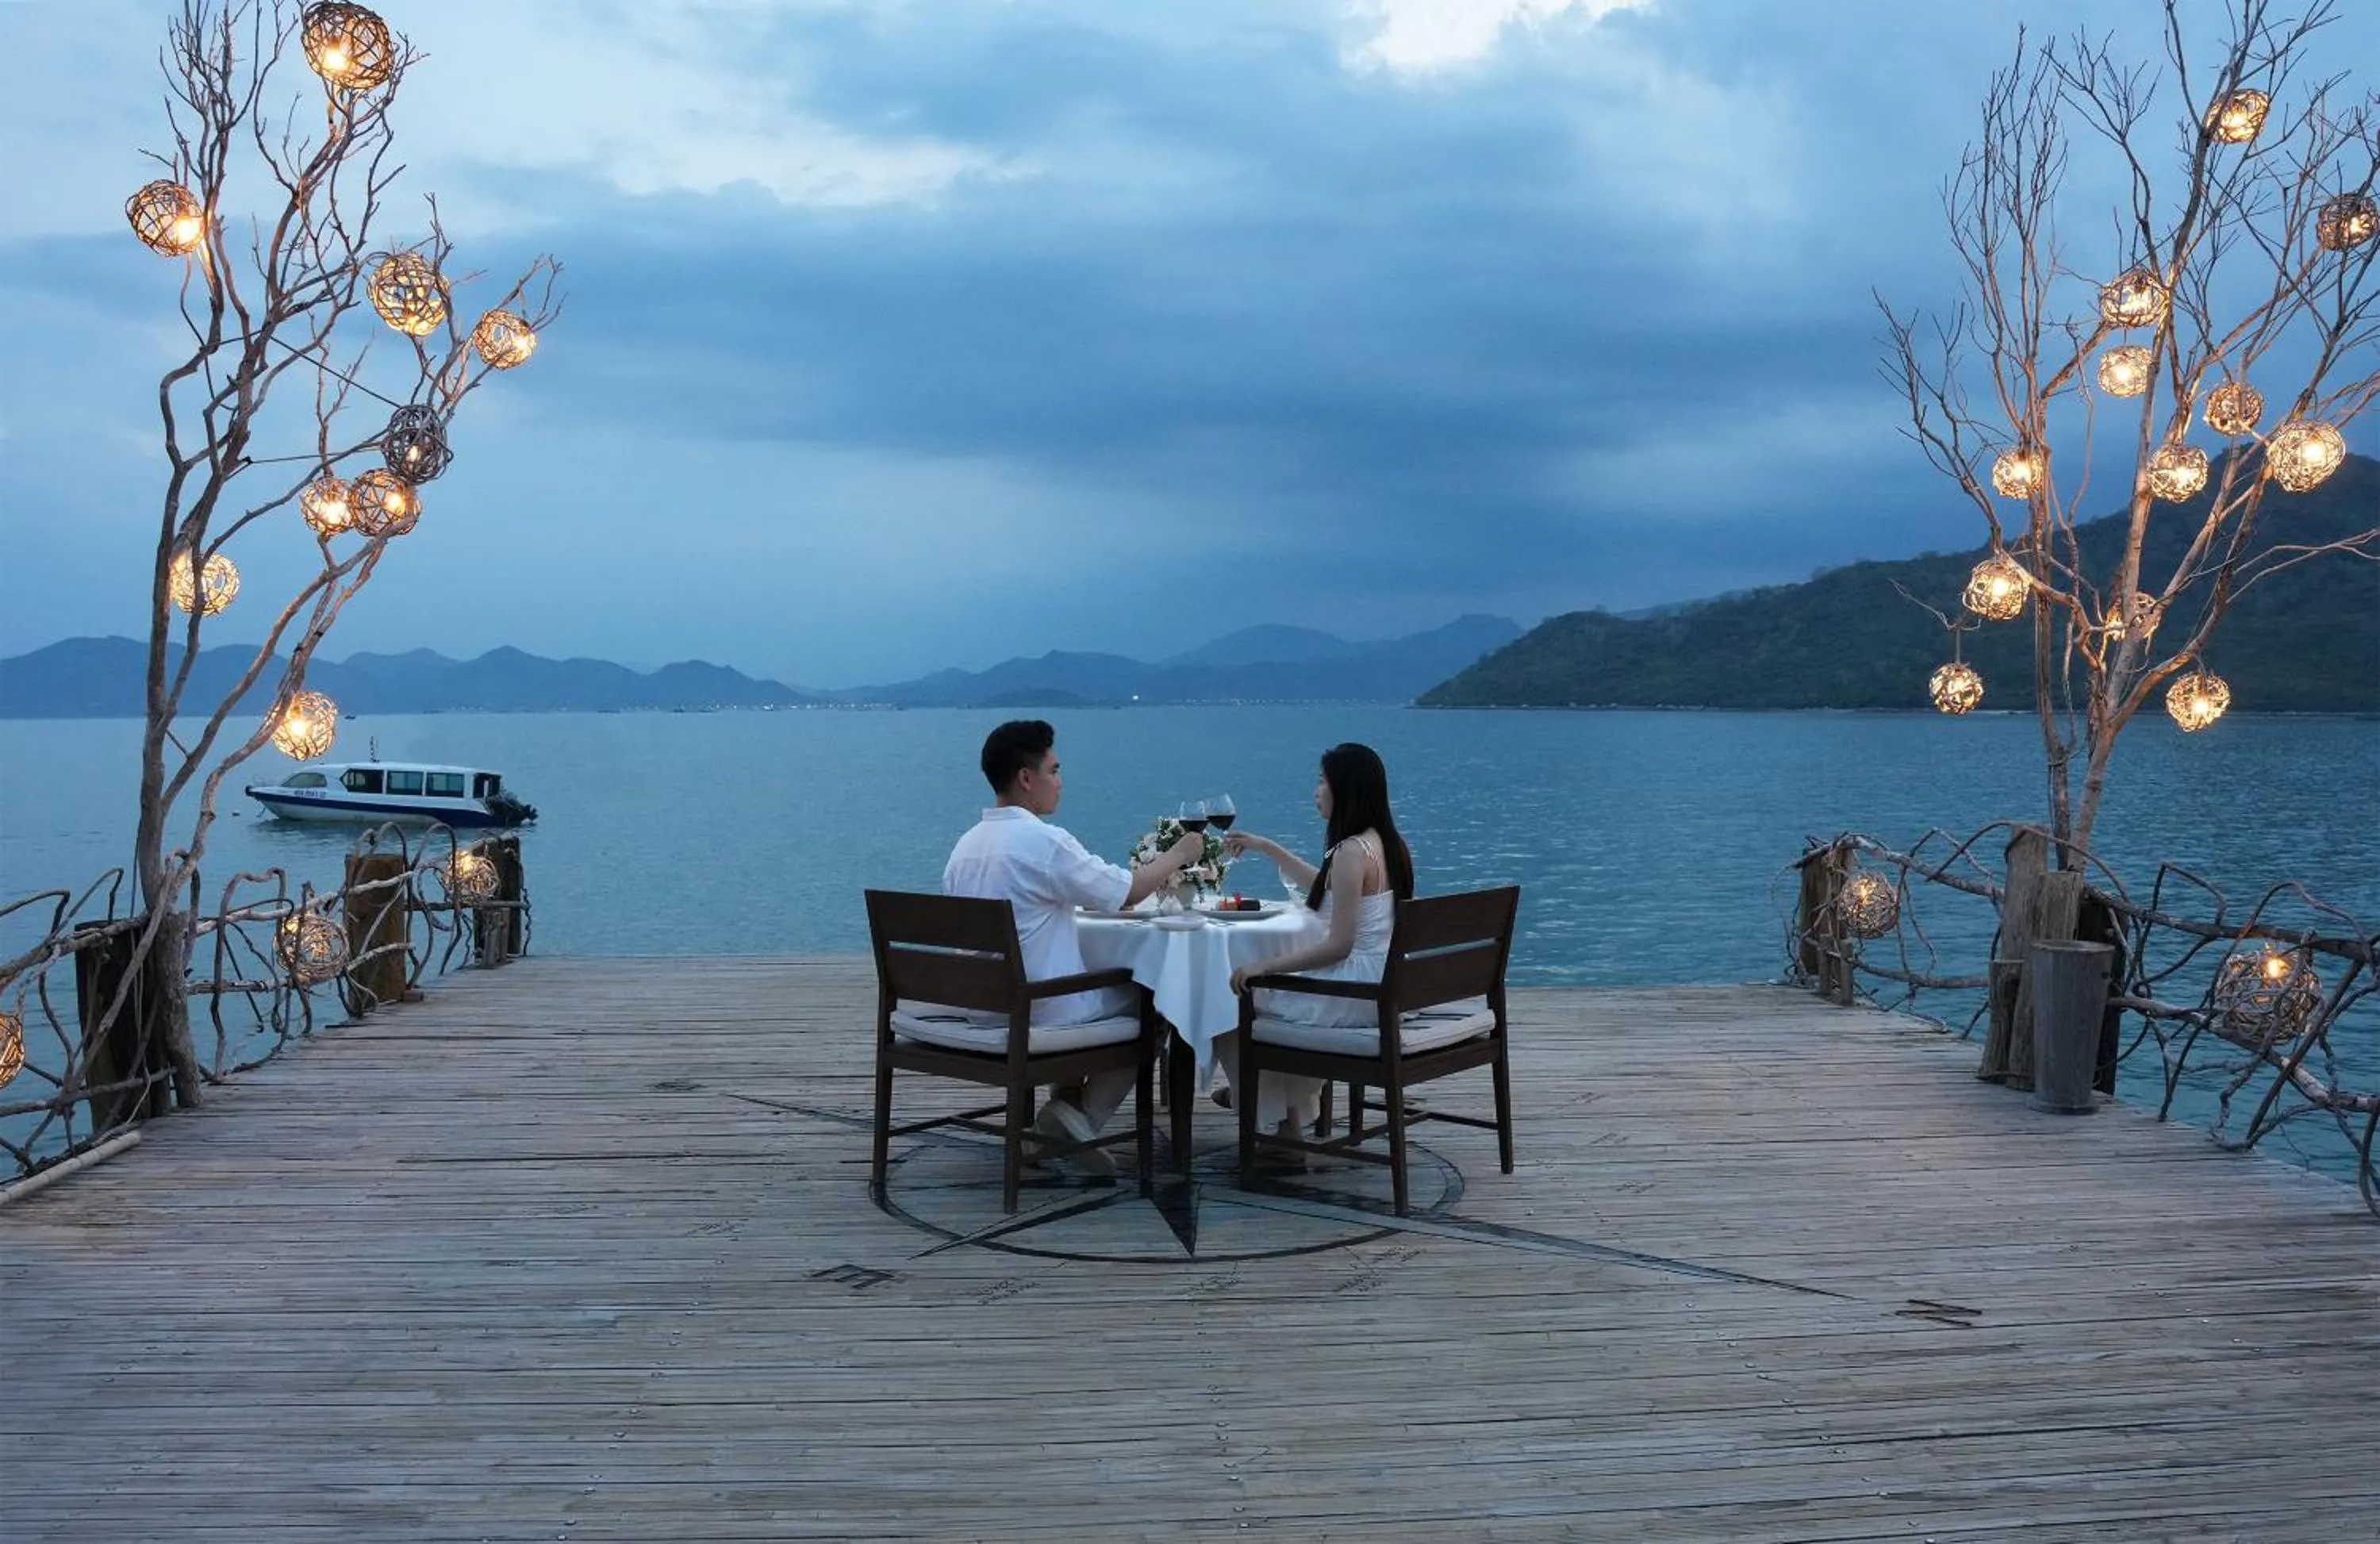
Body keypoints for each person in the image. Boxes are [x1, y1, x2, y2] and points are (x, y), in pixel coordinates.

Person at [942, 719, 1206, 1176]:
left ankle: (1064, 1110)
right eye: (1055, 769)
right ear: (1027, 779)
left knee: (1086, 985)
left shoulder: (965, 848)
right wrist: (1181, 853)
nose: (1061, 782)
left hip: (983, 1008)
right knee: (1162, 999)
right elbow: (1126, 891)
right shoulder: (1041, 843)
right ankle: (1077, 1120)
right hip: (1035, 1011)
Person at [1215, 742, 1416, 1146]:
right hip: (1387, 983)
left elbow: (1338, 946)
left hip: (1356, 991)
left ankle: (1268, 1115)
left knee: (1225, 1006)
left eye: (1322, 781)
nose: (1316, 791)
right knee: (1263, 1001)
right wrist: (1268, 847)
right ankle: (1275, 1107)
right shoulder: (1389, 844)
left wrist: (1266, 967)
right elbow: (1327, 890)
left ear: (1345, 789)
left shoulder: (1349, 852)